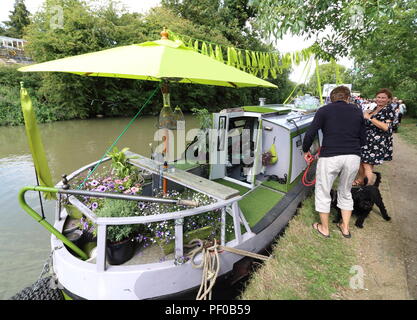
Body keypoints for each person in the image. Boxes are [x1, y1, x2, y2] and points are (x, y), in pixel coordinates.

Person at [303, 86, 365, 238]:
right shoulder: (357, 111)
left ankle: (324, 228)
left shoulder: (324, 110)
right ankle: (345, 227)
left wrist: (305, 150)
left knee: (323, 190)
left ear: (331, 98)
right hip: (352, 156)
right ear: (348, 97)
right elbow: (363, 138)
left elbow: (311, 132)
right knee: (345, 191)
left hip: (330, 155)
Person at [354, 88, 395, 186]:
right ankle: (360, 180)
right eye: (378, 97)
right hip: (365, 140)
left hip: (376, 142)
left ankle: (368, 190)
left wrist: (370, 117)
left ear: (389, 99)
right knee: (360, 161)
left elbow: (386, 127)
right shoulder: (374, 108)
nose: (380, 99)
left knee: (367, 165)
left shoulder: (388, 110)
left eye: (383, 98)